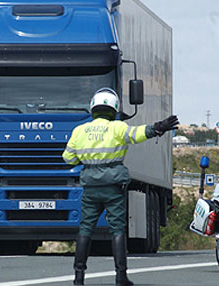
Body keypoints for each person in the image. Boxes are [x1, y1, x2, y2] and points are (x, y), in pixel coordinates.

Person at [62, 87, 179, 286]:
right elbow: (138, 134)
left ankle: (78, 277)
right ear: (114, 108)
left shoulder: (79, 130)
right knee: (117, 228)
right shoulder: (117, 127)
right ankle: (120, 276)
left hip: (90, 186)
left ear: (93, 108)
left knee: (86, 229)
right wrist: (159, 127)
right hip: (113, 186)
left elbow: (68, 158)